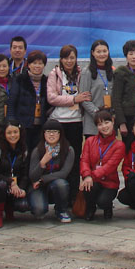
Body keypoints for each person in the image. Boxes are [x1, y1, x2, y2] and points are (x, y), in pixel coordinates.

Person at [46, 44, 89, 202]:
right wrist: (73, 99)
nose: (69, 61)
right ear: (61, 59)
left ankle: (73, 197)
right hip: (59, 122)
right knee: (59, 159)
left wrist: (78, 99)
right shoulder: (55, 74)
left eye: (72, 57)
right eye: (65, 58)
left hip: (76, 121)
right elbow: (51, 98)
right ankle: (59, 196)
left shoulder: (81, 73)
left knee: (74, 159)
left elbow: (85, 95)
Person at [79, 109, 125, 221]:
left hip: (110, 183)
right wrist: (86, 175)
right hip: (93, 181)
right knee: (88, 186)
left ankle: (107, 207)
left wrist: (91, 176)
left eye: (106, 122)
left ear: (112, 121)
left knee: (103, 201)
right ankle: (90, 208)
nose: (104, 127)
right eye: (100, 124)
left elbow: (110, 167)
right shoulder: (90, 141)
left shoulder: (119, 145)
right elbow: (84, 161)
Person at [28, 120, 74, 223]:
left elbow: (64, 173)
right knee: (39, 211)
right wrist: (42, 163)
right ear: (43, 134)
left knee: (61, 184)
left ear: (60, 134)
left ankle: (61, 210)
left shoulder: (68, 150)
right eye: (48, 131)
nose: (51, 134)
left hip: (54, 183)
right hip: (38, 186)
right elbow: (32, 176)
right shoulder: (37, 150)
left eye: (55, 131)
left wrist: (43, 179)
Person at [0, 121, 30, 228]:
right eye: (9, 133)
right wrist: (10, 182)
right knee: (1, 185)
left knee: (23, 205)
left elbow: (25, 174)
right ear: (4, 134)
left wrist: (22, 188)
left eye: (15, 132)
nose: (13, 135)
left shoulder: (23, 149)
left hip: (16, 185)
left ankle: (10, 209)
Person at [8, 50, 49, 151]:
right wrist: (12, 122)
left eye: (40, 63)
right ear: (29, 65)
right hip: (23, 125)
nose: (37, 66)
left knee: (37, 153)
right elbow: (12, 102)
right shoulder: (20, 79)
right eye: (34, 63)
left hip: (40, 126)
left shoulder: (47, 81)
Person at [79, 40, 114, 138]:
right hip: (93, 121)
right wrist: (98, 115)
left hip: (109, 121)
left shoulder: (112, 71)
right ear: (92, 53)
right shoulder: (87, 72)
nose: (102, 54)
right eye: (98, 52)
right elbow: (84, 98)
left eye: (104, 51)